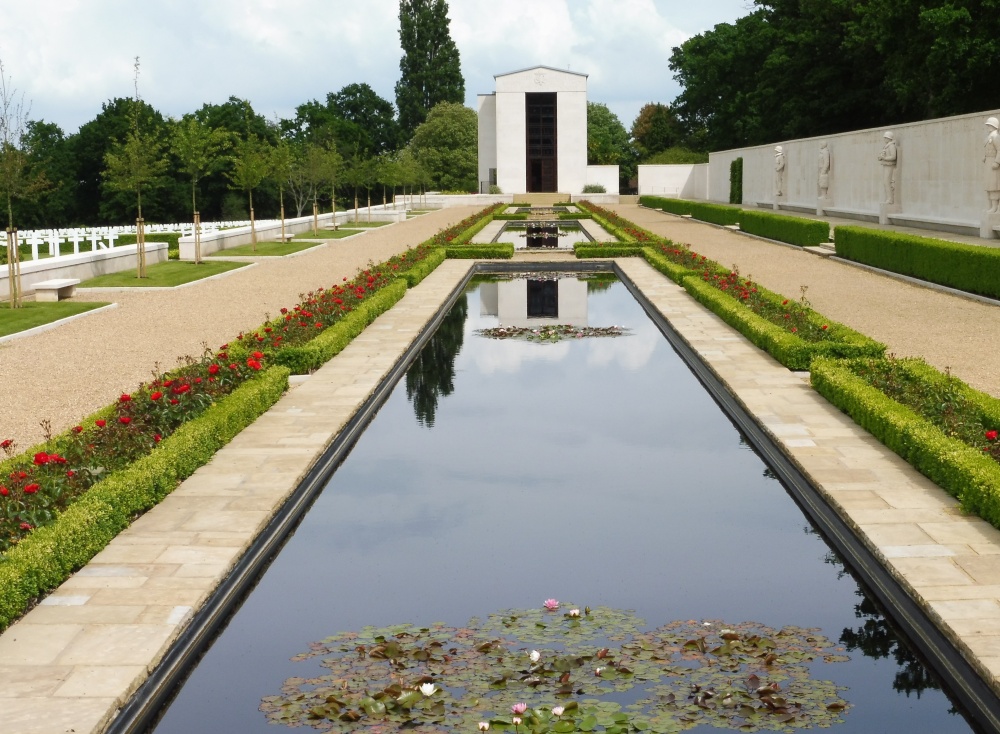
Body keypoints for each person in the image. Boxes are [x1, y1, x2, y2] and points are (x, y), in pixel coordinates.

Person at [984, 117, 1000, 214]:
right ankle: (991, 206)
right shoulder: (989, 136)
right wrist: (985, 157)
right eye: (988, 125)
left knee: (994, 185)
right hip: (988, 162)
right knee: (989, 185)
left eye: (990, 125)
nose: (988, 127)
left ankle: (995, 207)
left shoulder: (996, 137)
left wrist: (997, 162)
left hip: (994, 163)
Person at [877, 131, 897, 205]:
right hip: (885, 165)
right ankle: (889, 198)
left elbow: (893, 156)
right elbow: (882, 156)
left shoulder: (891, 146)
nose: (884, 139)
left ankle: (890, 199)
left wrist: (884, 158)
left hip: (889, 165)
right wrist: (880, 157)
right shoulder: (886, 146)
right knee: (885, 182)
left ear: (889, 138)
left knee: (887, 182)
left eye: (885, 137)